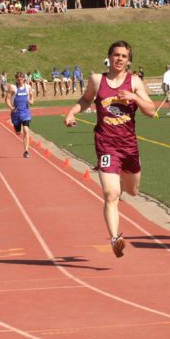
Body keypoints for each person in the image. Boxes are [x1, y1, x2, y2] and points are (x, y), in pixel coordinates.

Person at [64, 40, 156, 257]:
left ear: (129, 60)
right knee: (110, 193)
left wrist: (134, 97)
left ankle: (124, 184)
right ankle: (116, 238)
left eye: (124, 56)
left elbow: (151, 111)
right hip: (106, 144)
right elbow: (86, 100)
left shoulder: (134, 82)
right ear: (109, 56)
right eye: (116, 55)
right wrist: (71, 113)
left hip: (129, 146)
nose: (120, 59)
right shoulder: (97, 80)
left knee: (132, 191)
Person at [6, 72, 35, 158]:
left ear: (24, 79)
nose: (20, 80)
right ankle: (17, 128)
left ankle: (26, 151)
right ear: (16, 79)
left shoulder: (28, 87)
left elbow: (32, 98)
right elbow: (7, 99)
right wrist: (11, 108)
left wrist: (31, 100)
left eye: (22, 78)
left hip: (25, 112)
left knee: (26, 130)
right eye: (18, 79)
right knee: (18, 132)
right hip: (16, 113)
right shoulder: (13, 88)